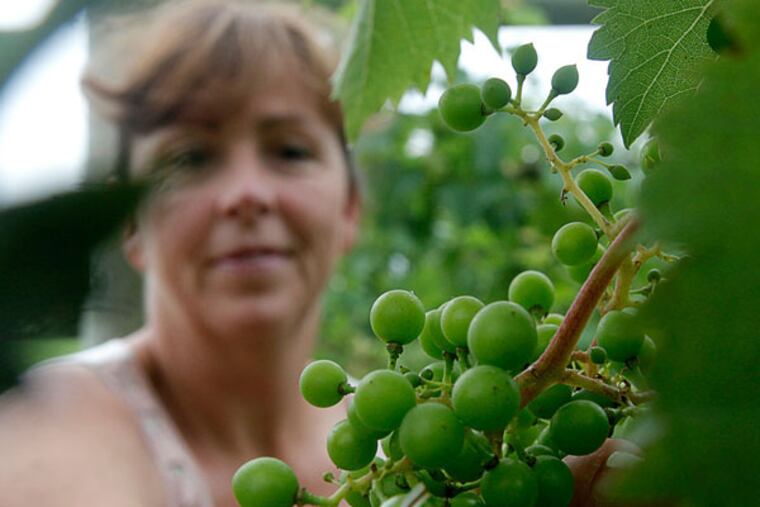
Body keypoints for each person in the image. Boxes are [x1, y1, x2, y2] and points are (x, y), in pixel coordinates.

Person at [0, 1, 636, 506]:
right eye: (189, 158)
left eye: (290, 150)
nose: (245, 195)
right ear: (129, 225)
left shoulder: (398, 439)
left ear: (350, 208)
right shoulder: (47, 424)